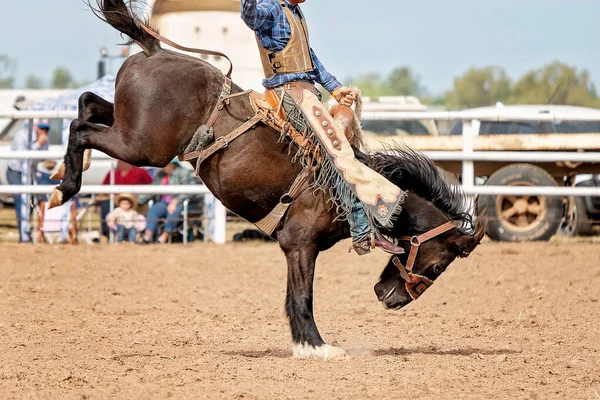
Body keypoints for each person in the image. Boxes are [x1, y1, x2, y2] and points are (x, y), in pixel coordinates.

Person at [241, 0, 404, 255]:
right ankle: (362, 230)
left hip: (305, 93)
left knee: (338, 148)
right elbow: (251, 16)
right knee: (335, 150)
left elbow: (310, 58)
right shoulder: (272, 9)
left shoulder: (294, 12)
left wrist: (335, 89)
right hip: (289, 94)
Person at [6, 119, 50, 242]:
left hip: (30, 172)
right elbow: (22, 158)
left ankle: (25, 232)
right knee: (21, 200)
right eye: (42, 128)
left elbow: (43, 158)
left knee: (30, 201)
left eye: (46, 129)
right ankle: (23, 235)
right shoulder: (23, 135)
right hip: (15, 171)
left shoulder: (44, 139)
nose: (44, 131)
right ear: (35, 126)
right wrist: (38, 145)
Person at [139, 159, 197, 244]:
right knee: (153, 210)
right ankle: (147, 236)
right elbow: (152, 190)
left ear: (172, 164)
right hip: (163, 202)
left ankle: (164, 237)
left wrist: (176, 201)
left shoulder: (183, 172)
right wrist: (138, 201)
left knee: (173, 210)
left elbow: (190, 190)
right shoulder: (161, 174)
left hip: (180, 203)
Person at [99, 160, 153, 236]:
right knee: (106, 205)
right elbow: (104, 188)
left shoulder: (140, 172)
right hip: (117, 200)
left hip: (133, 200)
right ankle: (107, 231)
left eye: (122, 161)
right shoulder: (112, 173)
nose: (119, 163)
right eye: (119, 161)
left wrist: (139, 197)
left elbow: (151, 185)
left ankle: (135, 233)